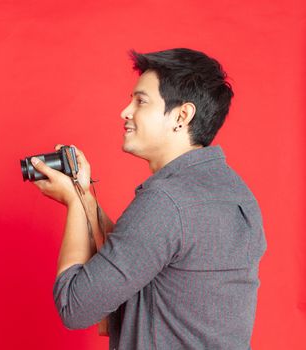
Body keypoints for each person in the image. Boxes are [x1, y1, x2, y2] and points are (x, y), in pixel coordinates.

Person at [30, 48, 267, 349]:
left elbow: (74, 307)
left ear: (182, 115)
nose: (125, 112)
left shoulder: (166, 202)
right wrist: (84, 194)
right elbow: (142, 252)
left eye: (140, 101)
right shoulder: (237, 193)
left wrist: (75, 205)